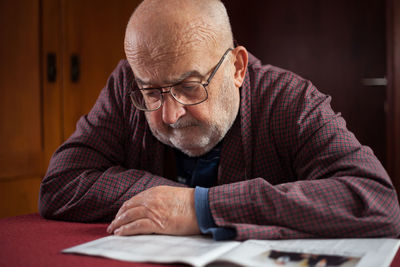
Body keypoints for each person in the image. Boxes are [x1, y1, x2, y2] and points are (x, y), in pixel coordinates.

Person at [38, 0, 400, 241]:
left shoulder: (291, 100)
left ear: (237, 67)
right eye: (151, 93)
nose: (169, 115)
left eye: (190, 87)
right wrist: (179, 200)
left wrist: (203, 208)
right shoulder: (127, 84)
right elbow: (60, 185)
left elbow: (376, 200)